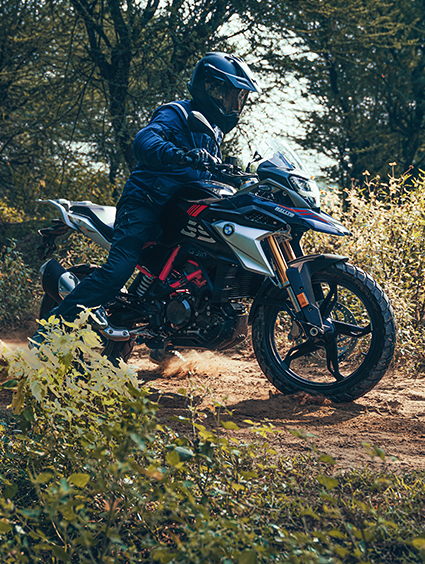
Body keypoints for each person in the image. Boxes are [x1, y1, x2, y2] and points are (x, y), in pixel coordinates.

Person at [30, 52, 261, 361]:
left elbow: (202, 172)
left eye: (240, 98)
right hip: (145, 204)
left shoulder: (213, 131)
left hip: (179, 210)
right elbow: (145, 141)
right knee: (117, 271)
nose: (235, 105)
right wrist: (177, 154)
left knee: (197, 270)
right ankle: (46, 337)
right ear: (210, 88)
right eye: (230, 95)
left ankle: (167, 339)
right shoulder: (177, 113)